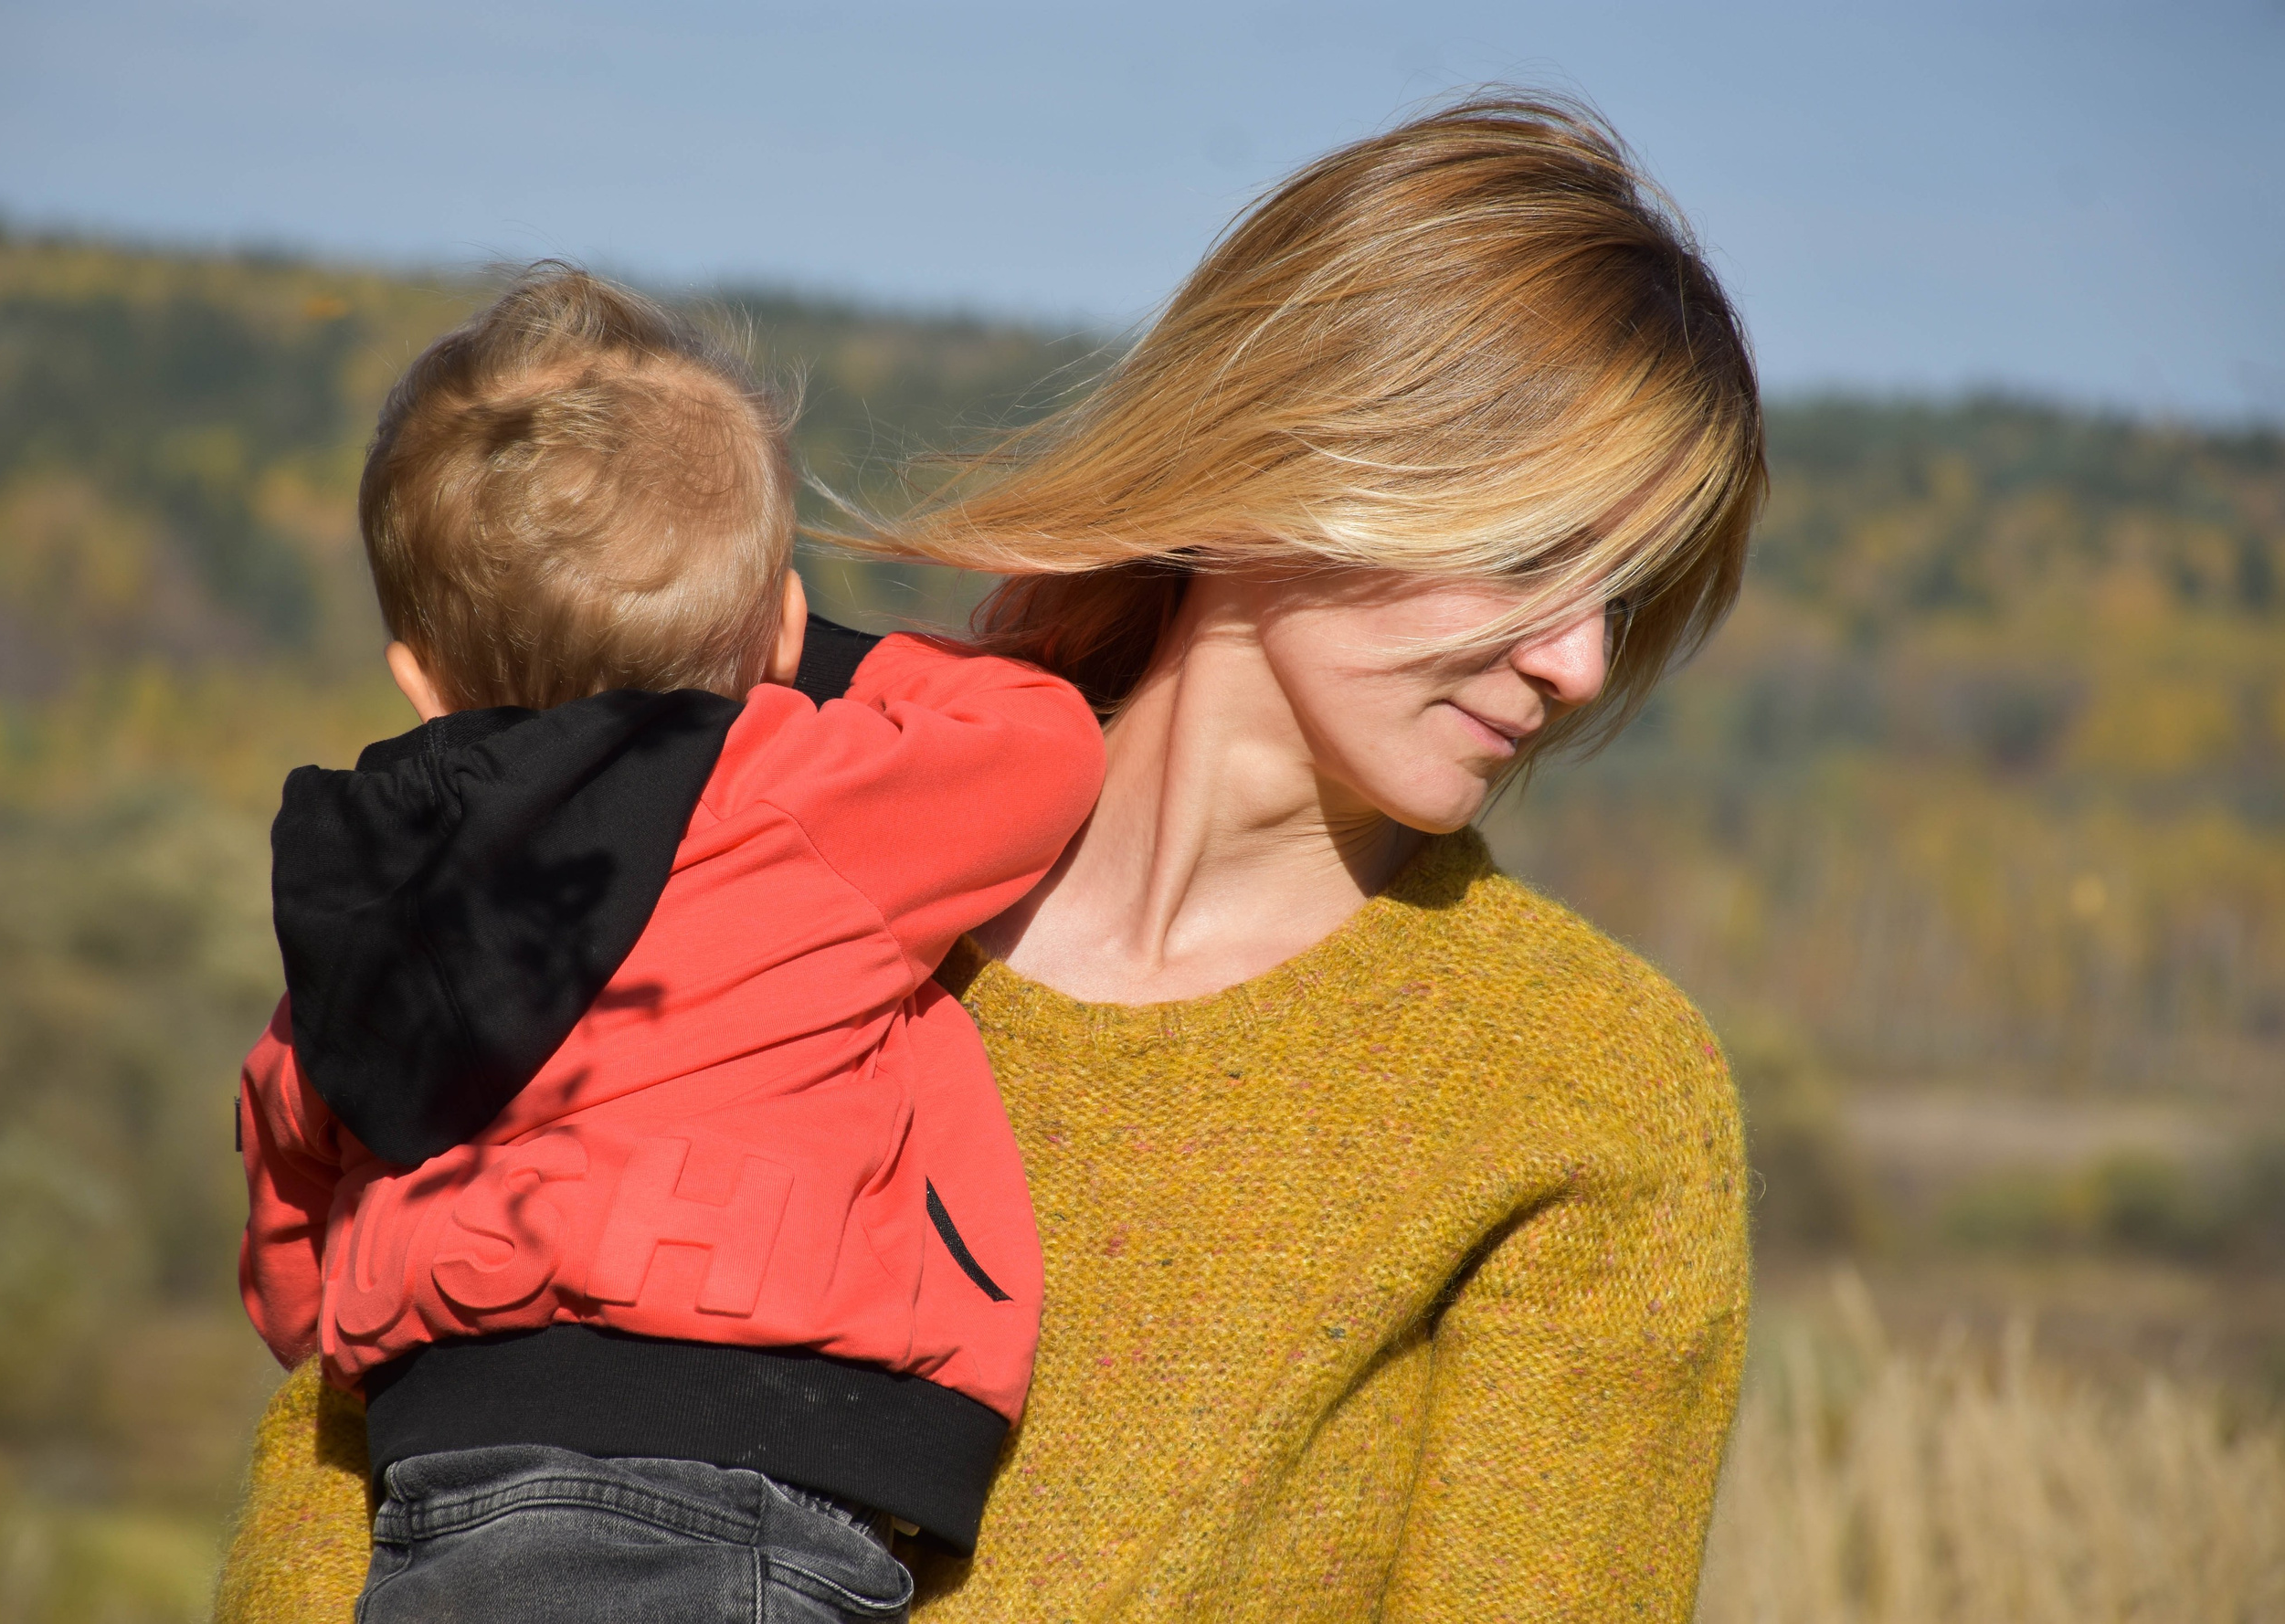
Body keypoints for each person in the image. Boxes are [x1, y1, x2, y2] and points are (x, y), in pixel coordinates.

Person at [216, 91, 1766, 1623]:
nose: (1576, 661)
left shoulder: (1583, 1088)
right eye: (1530, 550)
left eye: (1622, 594)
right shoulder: (740, 844)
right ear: (1303, 440)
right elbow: (361, 1458)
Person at [236, 266, 1104, 1622]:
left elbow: (289, 1136)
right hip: (731, 1496)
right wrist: (825, 665)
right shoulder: (782, 799)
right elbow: (1039, 744)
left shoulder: (367, 891)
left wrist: (324, 1326)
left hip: (438, 1501)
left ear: (416, 675)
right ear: (782, 627)